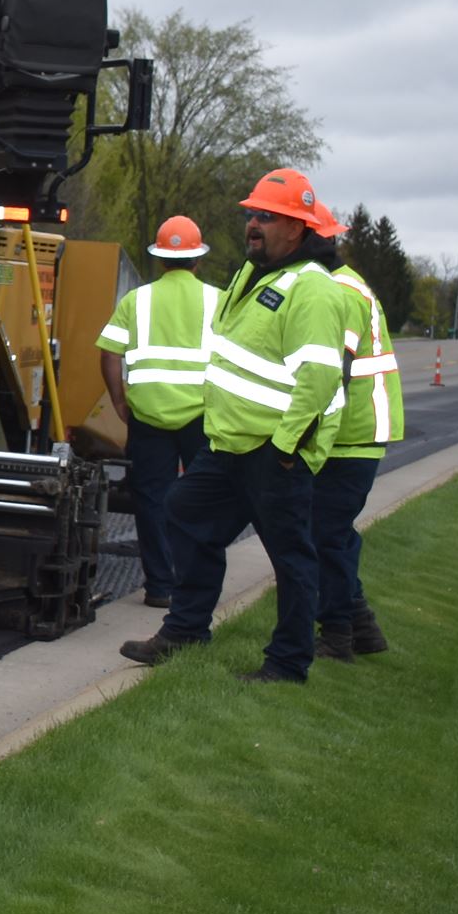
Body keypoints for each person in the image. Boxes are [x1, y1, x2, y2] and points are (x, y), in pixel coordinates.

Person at [118, 170, 349, 684]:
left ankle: (287, 664)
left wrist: (285, 448)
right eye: (251, 214)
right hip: (229, 445)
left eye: (267, 216)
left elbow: (319, 379)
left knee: (290, 557)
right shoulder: (253, 272)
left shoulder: (312, 289)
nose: (253, 224)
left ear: (297, 228)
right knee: (184, 511)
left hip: (273, 450)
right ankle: (185, 630)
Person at [94, 216, 220, 607]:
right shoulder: (219, 301)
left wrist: (119, 400)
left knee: (151, 500)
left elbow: (109, 353)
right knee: (203, 499)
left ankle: (160, 587)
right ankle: (195, 582)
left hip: (147, 415)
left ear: (160, 259)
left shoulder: (137, 300)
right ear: (198, 259)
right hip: (202, 415)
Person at [315, 246, 404, 660]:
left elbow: (336, 371)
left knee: (327, 536)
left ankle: (338, 635)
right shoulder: (344, 284)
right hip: (354, 434)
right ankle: (361, 627)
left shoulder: (341, 292)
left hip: (352, 434)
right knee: (332, 534)